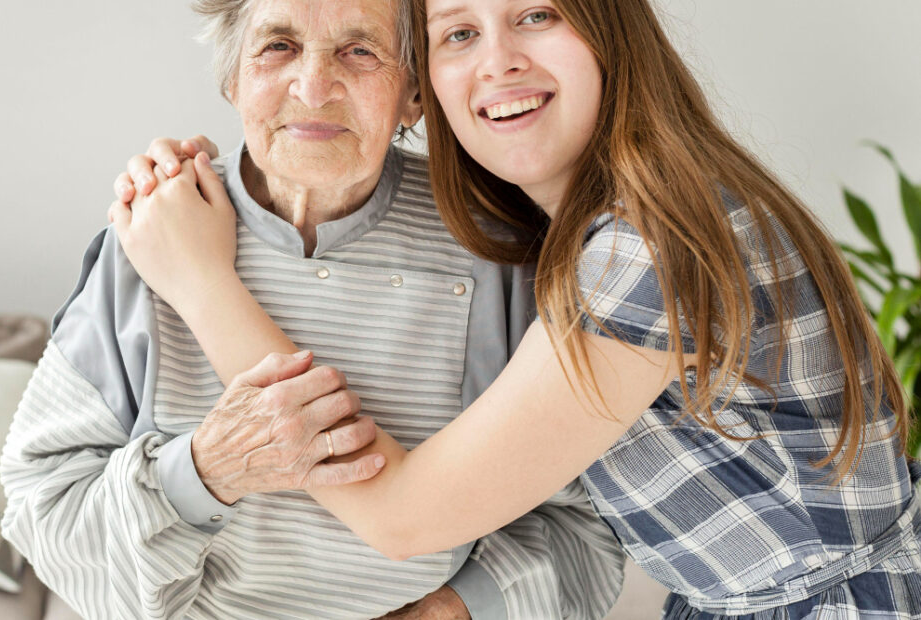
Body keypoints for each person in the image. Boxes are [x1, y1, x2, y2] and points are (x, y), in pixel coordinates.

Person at [103, 0, 921, 617]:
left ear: (612, 34)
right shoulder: (583, 228)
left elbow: (403, 516)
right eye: (459, 33)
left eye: (536, 14)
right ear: (426, 90)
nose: (497, 62)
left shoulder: (644, 253)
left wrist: (199, 281)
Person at [0, 0, 627, 618]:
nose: (314, 85)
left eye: (359, 51)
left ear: (414, 93)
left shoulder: (493, 246)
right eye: (279, 46)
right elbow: (42, 506)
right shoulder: (154, 228)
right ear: (232, 78)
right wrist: (203, 471)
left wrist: (452, 610)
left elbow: (580, 525)